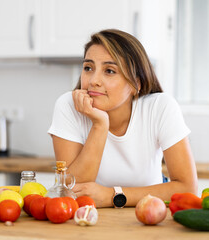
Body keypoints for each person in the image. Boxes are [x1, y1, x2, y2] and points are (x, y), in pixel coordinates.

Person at [48, 29, 197, 208]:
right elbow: (72, 190)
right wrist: (100, 125)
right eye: (88, 68)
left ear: (136, 84)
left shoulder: (160, 107)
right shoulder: (68, 105)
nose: (94, 80)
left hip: (150, 217)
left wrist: (113, 195)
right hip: (90, 219)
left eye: (109, 71)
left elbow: (188, 188)